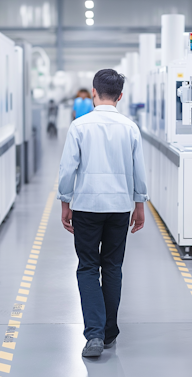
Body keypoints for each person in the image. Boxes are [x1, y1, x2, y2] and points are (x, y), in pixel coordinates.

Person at [57, 69, 148, 358]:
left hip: (86, 205)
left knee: (87, 266)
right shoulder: (129, 127)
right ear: (120, 96)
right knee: (112, 267)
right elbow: (139, 170)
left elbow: (68, 168)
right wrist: (140, 204)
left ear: (94, 93)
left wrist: (64, 201)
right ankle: (109, 333)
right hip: (120, 207)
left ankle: (93, 335)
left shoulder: (79, 126)